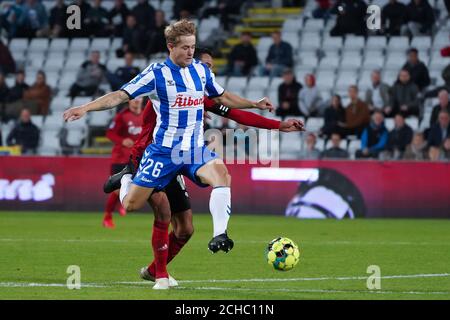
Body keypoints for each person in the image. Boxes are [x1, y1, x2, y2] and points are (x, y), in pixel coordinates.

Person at [63, 20, 278, 290]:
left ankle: (219, 234)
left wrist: (254, 103)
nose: (191, 52)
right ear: (171, 47)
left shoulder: (200, 71)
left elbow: (223, 98)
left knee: (222, 175)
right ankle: (127, 179)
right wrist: (85, 107)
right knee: (131, 205)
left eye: (192, 47)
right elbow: (119, 95)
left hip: (193, 149)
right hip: (162, 153)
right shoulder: (156, 74)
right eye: (186, 48)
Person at [103, 98, 144, 228]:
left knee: (134, 186)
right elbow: (110, 133)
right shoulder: (122, 116)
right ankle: (107, 217)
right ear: (129, 101)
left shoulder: (146, 114)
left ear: (142, 99)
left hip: (137, 158)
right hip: (120, 158)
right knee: (117, 189)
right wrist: (122, 140)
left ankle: (122, 203)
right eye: (134, 98)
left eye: (139, 98)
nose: (136, 100)